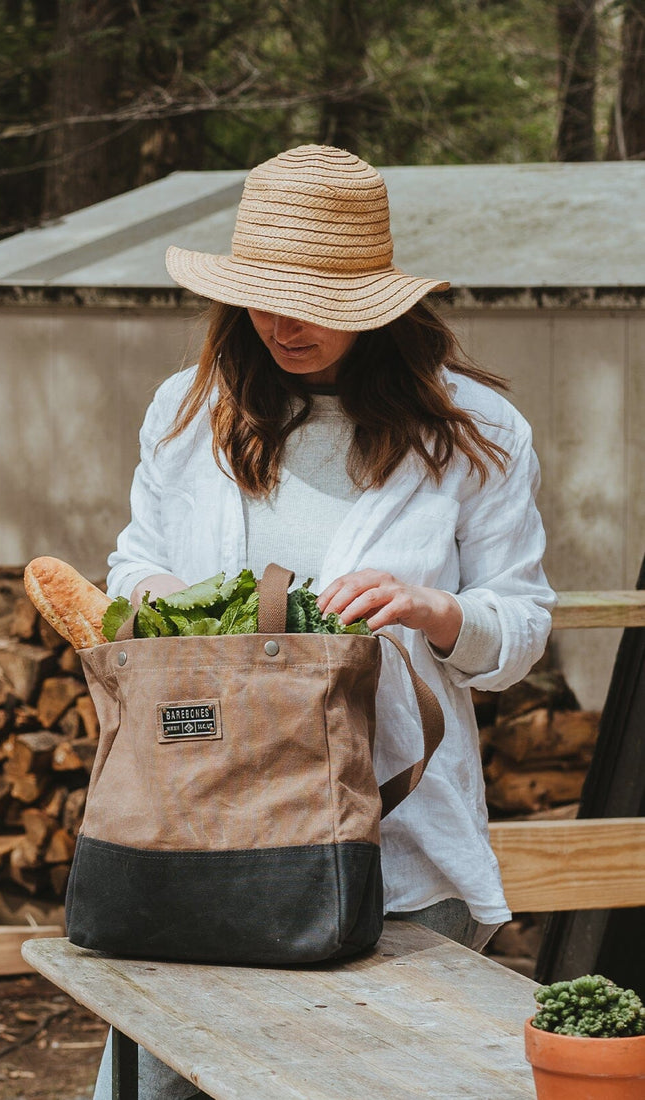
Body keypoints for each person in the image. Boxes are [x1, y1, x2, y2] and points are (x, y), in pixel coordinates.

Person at [91, 144, 555, 1100]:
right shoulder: (189, 414)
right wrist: (172, 607)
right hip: (202, 838)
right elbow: (134, 565)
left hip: (395, 858)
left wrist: (438, 612)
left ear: (378, 304)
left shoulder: (477, 432)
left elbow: (522, 627)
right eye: (259, 293)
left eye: (311, 299)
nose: (279, 321)